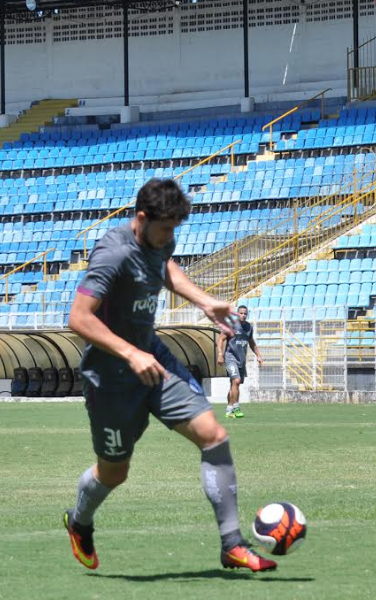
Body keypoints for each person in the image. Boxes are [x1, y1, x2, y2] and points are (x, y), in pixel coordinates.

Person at [63, 178, 276, 573]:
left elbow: (165, 267)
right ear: (141, 219)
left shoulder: (160, 240)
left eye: (174, 230)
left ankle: (232, 543)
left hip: (155, 359)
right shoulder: (112, 253)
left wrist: (204, 301)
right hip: (110, 376)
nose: (169, 238)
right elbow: (78, 318)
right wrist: (128, 352)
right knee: (114, 472)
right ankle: (79, 522)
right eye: (164, 229)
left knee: (214, 436)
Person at [216, 305, 262, 419]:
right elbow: (220, 339)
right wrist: (220, 354)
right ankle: (235, 408)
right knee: (236, 381)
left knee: (235, 385)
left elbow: (251, 342)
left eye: (245, 313)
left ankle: (229, 409)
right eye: (241, 313)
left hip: (241, 360)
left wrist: (258, 355)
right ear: (237, 314)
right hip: (230, 358)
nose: (243, 315)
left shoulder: (248, 327)